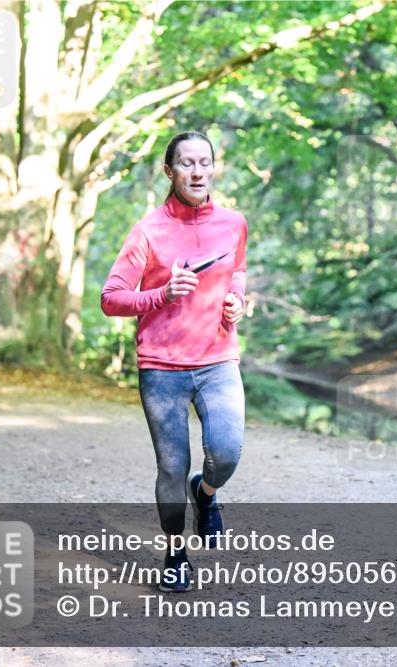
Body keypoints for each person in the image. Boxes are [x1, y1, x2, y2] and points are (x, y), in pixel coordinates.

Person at [100, 131, 248, 592]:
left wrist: (238, 301)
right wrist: (161, 295)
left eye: (204, 162)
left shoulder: (234, 223)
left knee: (226, 452)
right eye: (186, 163)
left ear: (214, 168)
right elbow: (111, 299)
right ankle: (175, 552)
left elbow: (237, 271)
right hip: (162, 366)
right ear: (170, 171)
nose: (197, 171)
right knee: (171, 466)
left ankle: (205, 495)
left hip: (218, 359)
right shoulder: (148, 231)